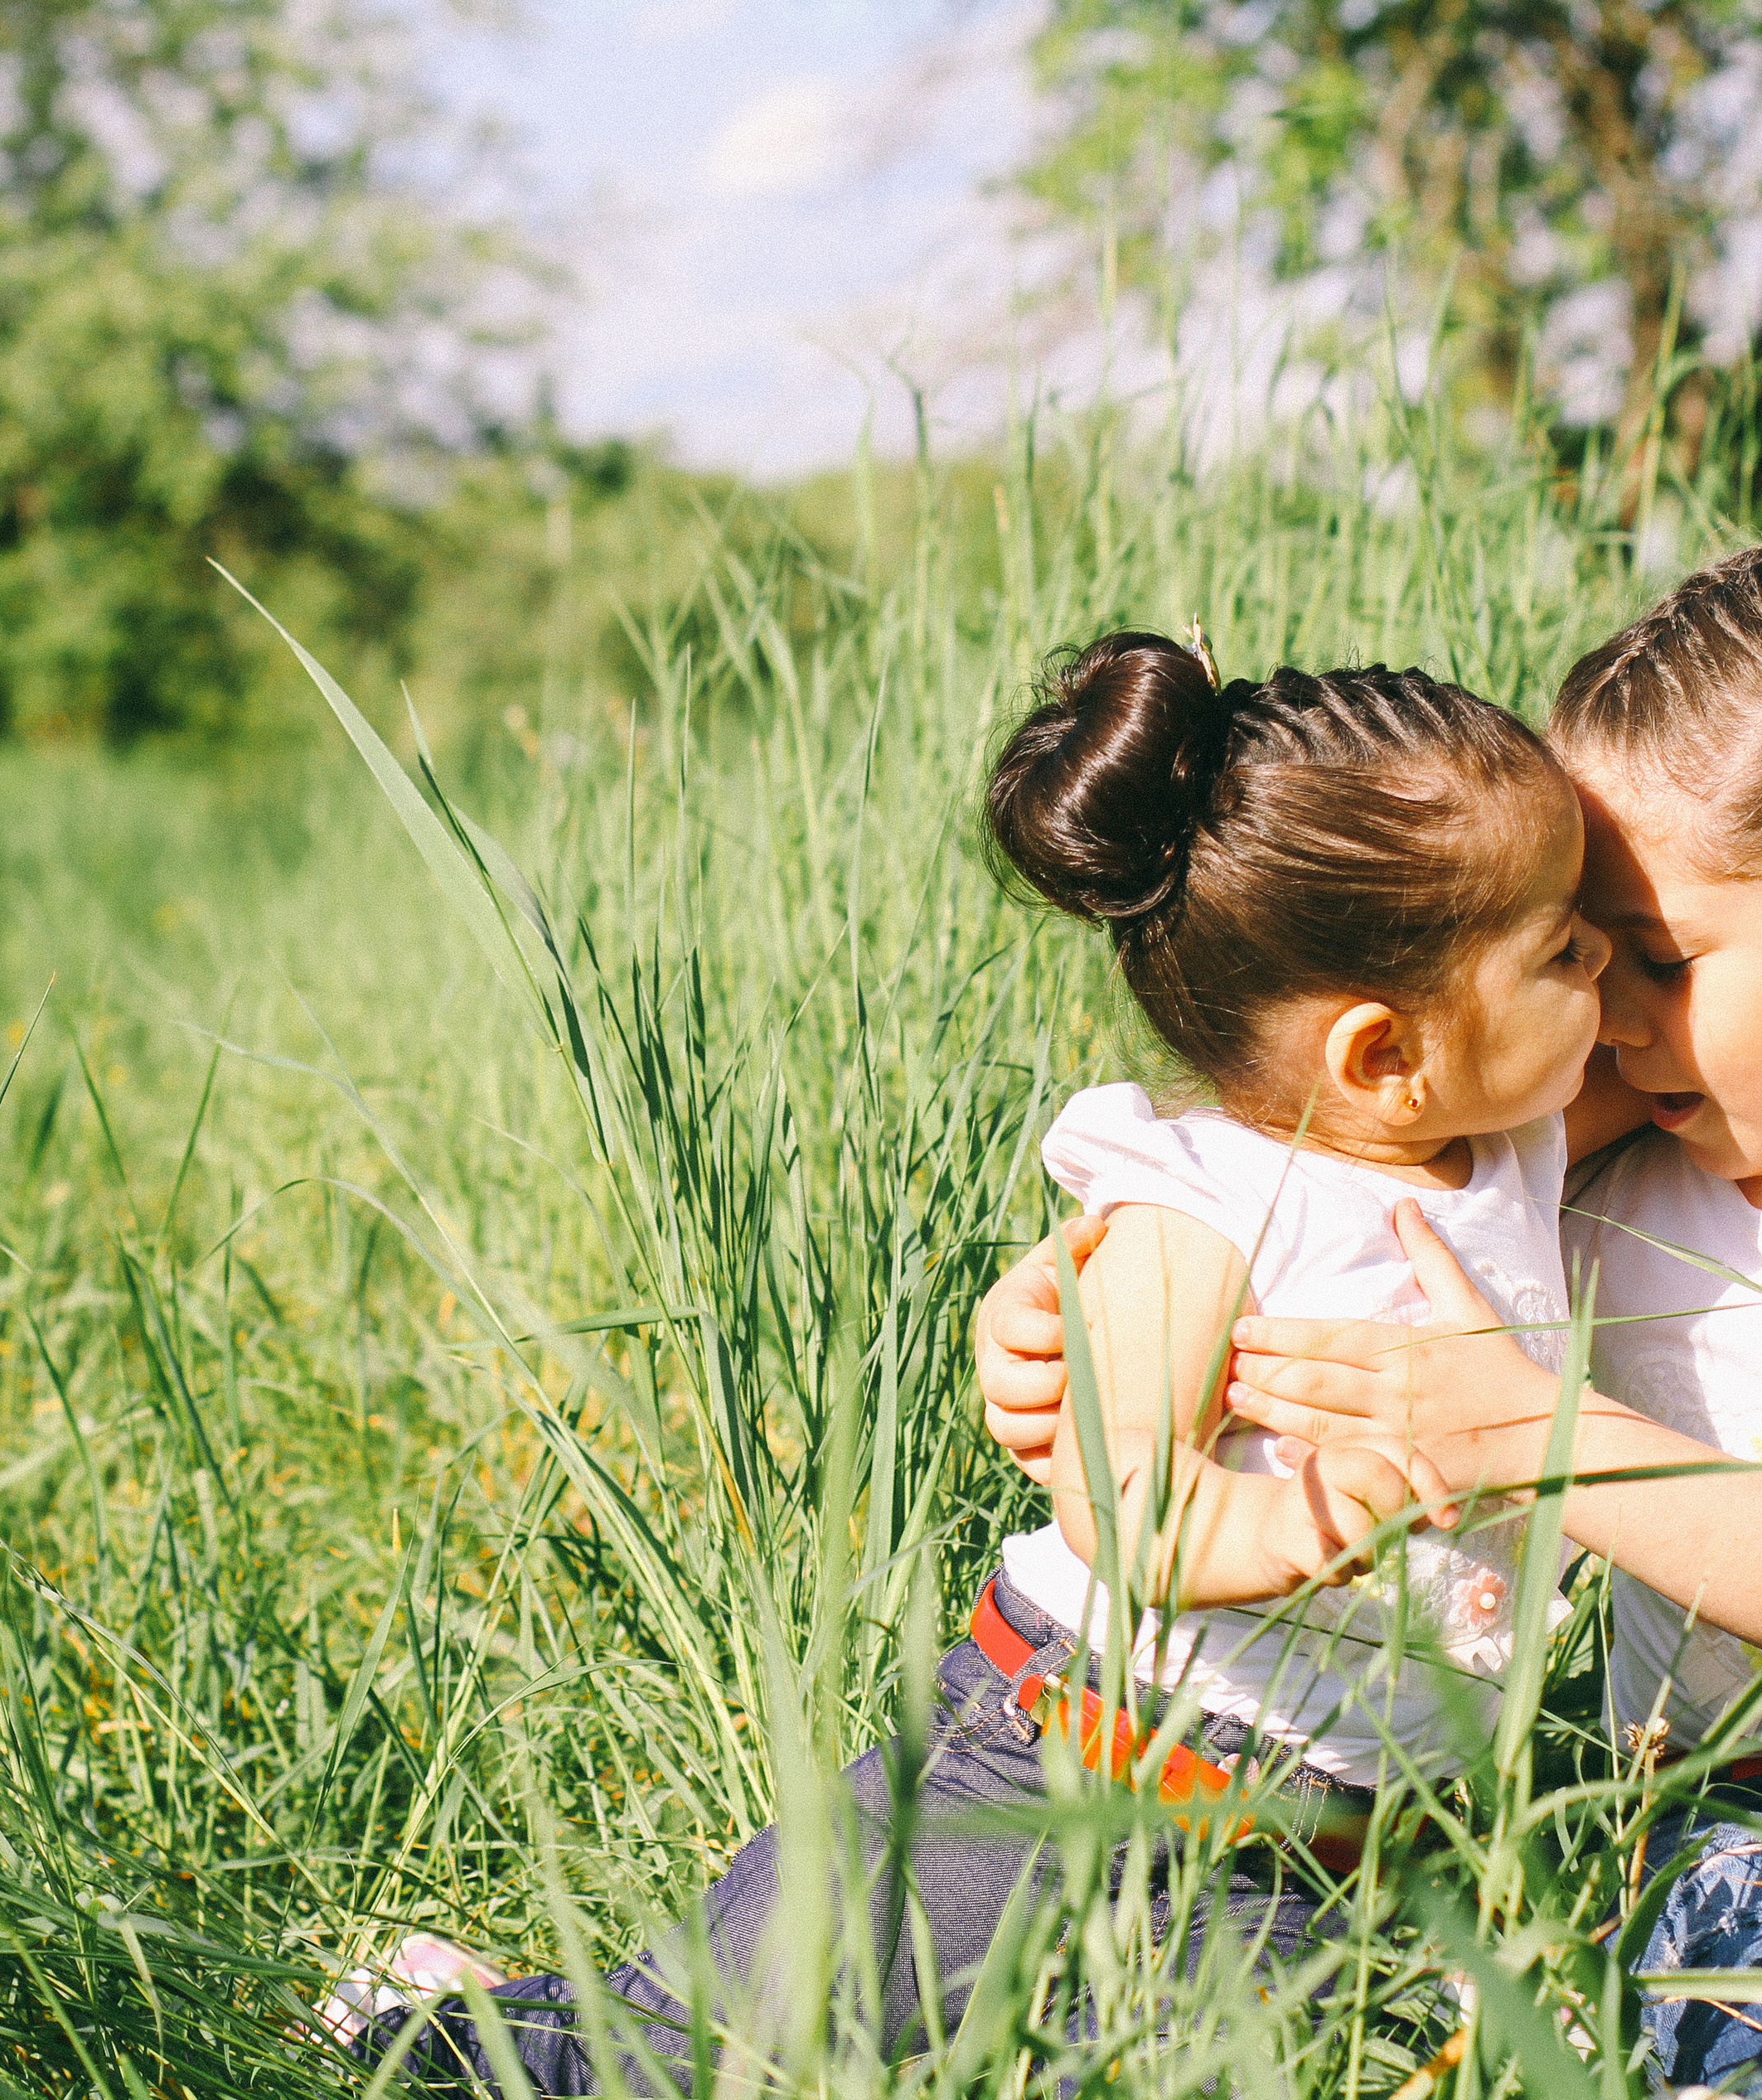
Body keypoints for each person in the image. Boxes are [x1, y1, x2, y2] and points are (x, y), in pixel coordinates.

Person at [317, 627, 1629, 2093]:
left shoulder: (1513, 1132)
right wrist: (1297, 1520)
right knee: (716, 2047)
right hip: (1061, 1765)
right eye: (1563, 946)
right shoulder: (1199, 1216)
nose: (1606, 961)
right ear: (1382, 1056)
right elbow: (1118, 1498)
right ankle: (448, 2034)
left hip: (1305, 1836)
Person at [976, 541, 1762, 2100]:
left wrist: (1531, 1435)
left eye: (1661, 960)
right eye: (1576, 950)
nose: (1609, 1011)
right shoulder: (1607, 1140)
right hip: (1696, 1820)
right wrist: (1084, 1304)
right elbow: (1302, 1168)